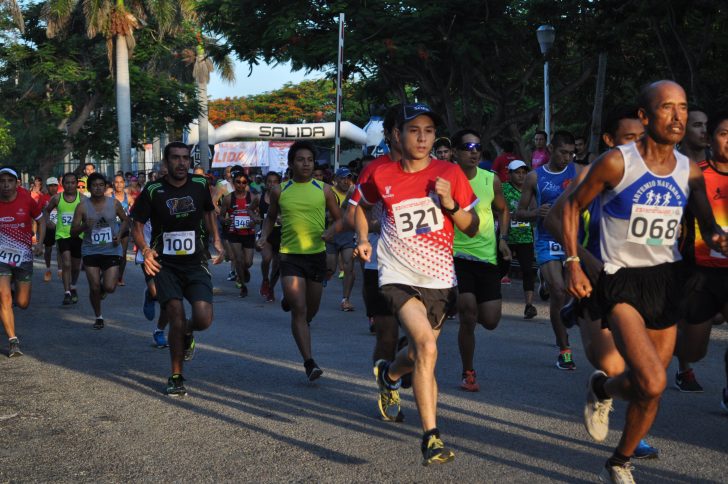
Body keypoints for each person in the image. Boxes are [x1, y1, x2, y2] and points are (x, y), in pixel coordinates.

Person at [562, 81, 728, 482]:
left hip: (666, 281)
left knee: (647, 388)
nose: (677, 117)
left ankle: (617, 454)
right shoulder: (618, 162)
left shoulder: (689, 169)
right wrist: (573, 262)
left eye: (683, 108)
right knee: (653, 379)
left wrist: (719, 236)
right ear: (645, 116)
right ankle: (608, 410)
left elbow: (707, 224)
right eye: (667, 108)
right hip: (620, 280)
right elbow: (570, 206)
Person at [353, 103, 479, 466]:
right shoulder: (379, 171)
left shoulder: (449, 172)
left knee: (419, 354)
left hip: (439, 276)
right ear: (397, 135)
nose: (422, 138)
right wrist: (363, 238)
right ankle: (431, 437)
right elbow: (361, 206)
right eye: (413, 130)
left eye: (428, 131)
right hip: (396, 273)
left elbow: (473, 227)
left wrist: (451, 204)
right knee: (426, 346)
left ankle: (389, 373)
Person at [547, 104, 659, 459]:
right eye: (629, 139)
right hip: (600, 282)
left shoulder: (662, 174)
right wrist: (582, 261)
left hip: (646, 282)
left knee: (647, 368)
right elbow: (554, 219)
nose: (638, 146)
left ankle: (625, 422)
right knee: (612, 363)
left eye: (643, 138)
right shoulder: (595, 174)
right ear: (610, 140)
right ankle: (603, 385)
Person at [131, 141, 224, 397]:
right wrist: (146, 250)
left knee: (203, 318)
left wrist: (216, 239)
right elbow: (136, 224)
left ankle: (188, 332)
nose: (182, 163)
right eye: (176, 158)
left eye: (186, 158)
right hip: (166, 263)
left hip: (195, 262)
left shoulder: (200, 185)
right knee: (175, 314)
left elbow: (208, 212)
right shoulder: (153, 189)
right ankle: (176, 375)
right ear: (166, 162)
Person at [258, 141, 343, 381]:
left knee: (310, 310)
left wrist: (330, 232)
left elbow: (341, 220)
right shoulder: (280, 190)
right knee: (300, 308)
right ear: (291, 163)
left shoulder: (324, 189)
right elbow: (270, 217)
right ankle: (309, 362)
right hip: (290, 255)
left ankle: (295, 308)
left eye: (309, 160)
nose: (306, 164)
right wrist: (264, 236)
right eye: (300, 159)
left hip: (316, 255)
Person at [450, 129, 511, 392]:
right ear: (455, 152)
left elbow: (503, 209)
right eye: (467, 147)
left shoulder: (491, 180)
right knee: (468, 312)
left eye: (477, 146)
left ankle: (454, 307)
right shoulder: (446, 179)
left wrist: (503, 239)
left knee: (490, 320)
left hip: (486, 256)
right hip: (455, 255)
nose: (474, 151)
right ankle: (468, 371)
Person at [674, 111, 728, 396]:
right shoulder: (690, 173)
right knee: (694, 348)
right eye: (723, 134)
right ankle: (670, 353)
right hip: (697, 268)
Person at [517, 130, 579, 369]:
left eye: (572, 153)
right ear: (551, 149)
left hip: (573, 239)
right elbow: (519, 212)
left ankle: (559, 323)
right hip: (546, 238)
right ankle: (564, 350)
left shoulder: (580, 172)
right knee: (559, 291)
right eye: (563, 152)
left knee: (570, 293)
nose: (568, 157)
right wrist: (535, 213)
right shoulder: (534, 177)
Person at [71, 173, 128, 329]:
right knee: (94, 286)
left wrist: (119, 234)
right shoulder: (82, 206)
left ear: (105, 187)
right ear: (89, 188)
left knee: (110, 287)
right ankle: (98, 316)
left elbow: (126, 220)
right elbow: (73, 232)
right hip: (90, 250)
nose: (98, 188)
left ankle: (103, 289)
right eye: (94, 185)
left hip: (111, 250)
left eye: (101, 185)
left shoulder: (114, 204)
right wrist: (84, 226)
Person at [0, 167, 44, 357]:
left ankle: (13, 292)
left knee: (22, 302)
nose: (6, 184)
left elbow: (42, 220)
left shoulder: (26, 199)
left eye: (10, 180)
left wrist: (40, 242)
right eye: (2, 181)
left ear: (17, 183)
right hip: (0, 257)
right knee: (4, 298)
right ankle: (13, 341)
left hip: (23, 257)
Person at [502, 160, 537, 319]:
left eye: (524, 173)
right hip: (507, 237)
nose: (521, 176)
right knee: (500, 269)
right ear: (509, 174)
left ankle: (529, 305)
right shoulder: (503, 189)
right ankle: (491, 300)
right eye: (517, 173)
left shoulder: (531, 190)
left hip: (525, 237)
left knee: (528, 271)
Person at [45, 172, 84, 305]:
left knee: (76, 266)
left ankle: (73, 286)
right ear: (63, 184)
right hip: (62, 235)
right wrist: (48, 222)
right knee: (66, 262)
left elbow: (89, 215)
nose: (70, 185)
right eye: (67, 183)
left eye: (73, 183)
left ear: (76, 184)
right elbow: (46, 211)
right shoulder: (57, 198)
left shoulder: (82, 199)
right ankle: (67, 292)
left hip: (78, 235)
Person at [219, 170, 259, 297]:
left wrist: (255, 221)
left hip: (248, 233)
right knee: (237, 259)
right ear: (234, 183)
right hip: (234, 233)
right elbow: (220, 216)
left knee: (248, 262)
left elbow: (257, 215)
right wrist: (225, 220)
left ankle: (244, 271)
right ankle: (243, 286)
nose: (241, 185)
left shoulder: (252, 197)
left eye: (244, 182)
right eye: (238, 182)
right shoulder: (228, 198)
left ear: (246, 183)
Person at [326, 167, 357, 311]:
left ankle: (346, 299)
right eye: (343, 178)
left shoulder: (355, 192)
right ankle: (323, 277)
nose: (346, 181)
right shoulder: (329, 192)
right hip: (332, 234)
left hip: (348, 234)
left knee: (349, 267)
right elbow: (328, 215)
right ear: (336, 179)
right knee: (330, 268)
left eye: (348, 178)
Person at [257, 171, 282, 302]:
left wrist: (283, 218)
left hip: (281, 235)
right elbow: (250, 209)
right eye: (269, 182)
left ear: (279, 183)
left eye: (275, 182)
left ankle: (271, 288)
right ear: (265, 183)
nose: (272, 184)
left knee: (277, 265)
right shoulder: (259, 197)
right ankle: (265, 280)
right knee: (266, 259)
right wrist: (255, 216)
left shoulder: (284, 197)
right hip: (266, 234)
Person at [111, 174, 133, 286]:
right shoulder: (109, 196)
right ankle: (109, 274)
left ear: (124, 184)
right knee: (111, 253)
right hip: (111, 228)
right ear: (113, 183)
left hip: (124, 228)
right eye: (116, 182)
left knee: (123, 254)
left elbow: (134, 213)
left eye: (121, 182)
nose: (119, 184)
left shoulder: (128, 197)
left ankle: (119, 277)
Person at [41, 177, 60, 282]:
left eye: (55, 185)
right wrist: (46, 223)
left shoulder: (62, 197)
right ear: (47, 187)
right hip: (48, 228)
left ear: (58, 186)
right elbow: (38, 214)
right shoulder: (43, 198)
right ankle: (48, 269)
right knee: (48, 250)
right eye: (51, 186)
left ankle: (60, 270)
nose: (53, 188)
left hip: (61, 227)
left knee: (60, 250)